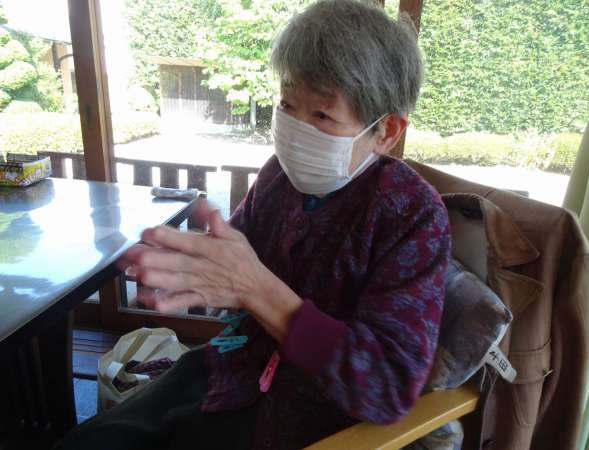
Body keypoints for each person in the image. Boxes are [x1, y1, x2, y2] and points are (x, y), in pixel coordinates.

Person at [55, 1, 450, 449]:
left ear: (387, 131)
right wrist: (195, 261)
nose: (295, 129)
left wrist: (254, 288)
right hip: (228, 370)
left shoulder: (412, 215)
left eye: (322, 116)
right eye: (287, 104)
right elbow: (234, 259)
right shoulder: (279, 175)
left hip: (312, 418)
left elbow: (388, 386)